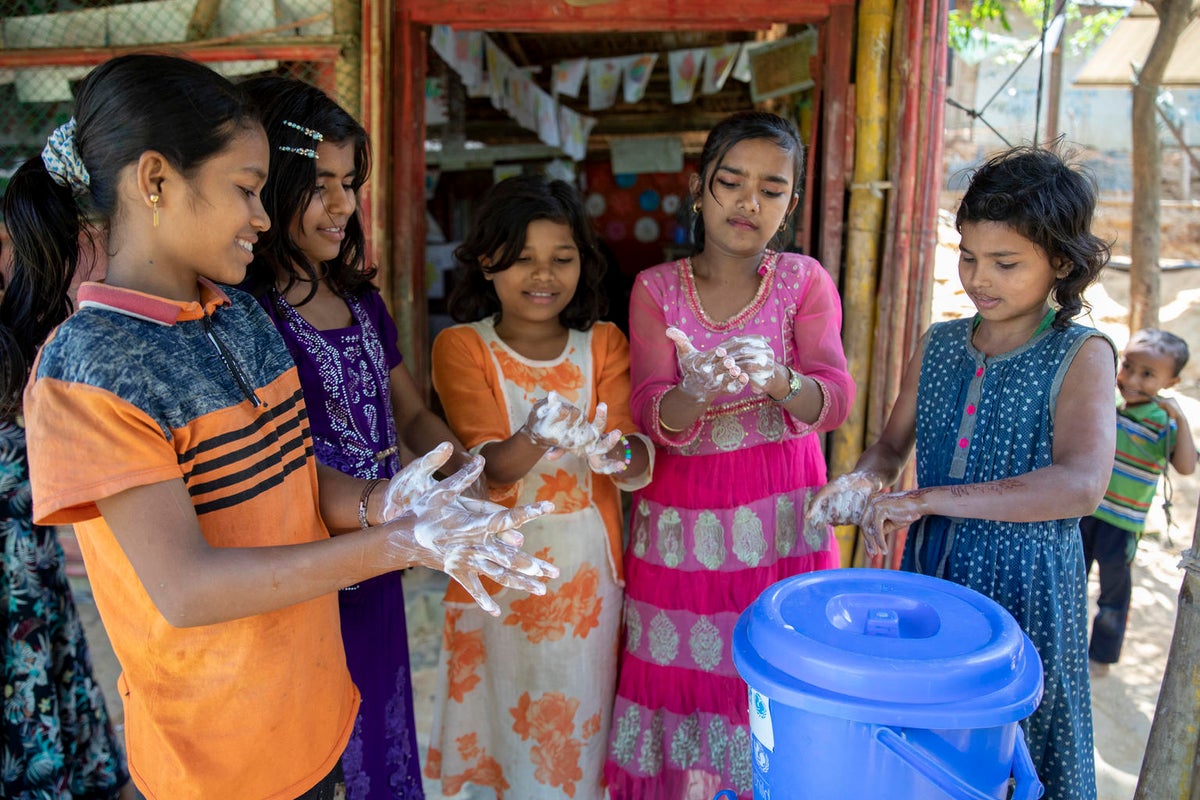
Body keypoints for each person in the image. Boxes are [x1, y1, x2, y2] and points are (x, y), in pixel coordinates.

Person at [0, 54, 557, 800]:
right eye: (246, 189)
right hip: (216, 759)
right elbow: (186, 587)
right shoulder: (91, 366)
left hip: (310, 710)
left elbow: (292, 474)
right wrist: (389, 545)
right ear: (156, 181)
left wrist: (384, 503)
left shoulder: (236, 314)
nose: (262, 218)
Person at [808, 145, 1116, 800]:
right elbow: (889, 446)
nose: (980, 278)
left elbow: (1081, 485)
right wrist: (862, 483)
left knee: (1014, 753)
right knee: (930, 756)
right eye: (969, 256)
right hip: (933, 574)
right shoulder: (941, 344)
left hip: (1028, 584)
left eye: (1006, 263)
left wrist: (929, 499)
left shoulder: (1080, 354)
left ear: (1061, 262)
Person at [605, 111, 854, 800]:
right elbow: (651, 413)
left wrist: (781, 379)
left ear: (792, 204)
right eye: (732, 182)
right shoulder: (655, 289)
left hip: (783, 517)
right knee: (681, 673)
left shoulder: (804, 281)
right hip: (683, 523)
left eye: (771, 189)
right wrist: (694, 389)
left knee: (774, 669)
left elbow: (833, 400)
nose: (749, 202)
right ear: (699, 188)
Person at [240, 76, 475, 800]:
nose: (344, 204)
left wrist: (463, 471)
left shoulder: (361, 302)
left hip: (377, 566)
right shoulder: (247, 317)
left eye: (350, 183)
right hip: (301, 575)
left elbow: (410, 418)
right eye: (320, 184)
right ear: (269, 183)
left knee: (381, 734)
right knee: (318, 750)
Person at [423, 173, 653, 800]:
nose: (543, 274)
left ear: (585, 263)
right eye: (522, 258)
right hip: (496, 568)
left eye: (561, 257)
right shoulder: (461, 347)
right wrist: (541, 432)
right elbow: (492, 469)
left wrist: (615, 453)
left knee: (574, 732)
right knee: (499, 724)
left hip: (586, 577)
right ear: (487, 262)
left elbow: (634, 463)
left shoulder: (603, 343)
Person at [1082, 328, 1195, 676]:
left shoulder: (1164, 424)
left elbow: (1187, 466)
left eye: (1147, 374)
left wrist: (1181, 418)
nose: (1131, 379)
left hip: (1124, 525)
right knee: (1071, 579)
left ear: (1171, 381)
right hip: (1085, 512)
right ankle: (1064, 643)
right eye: (1128, 366)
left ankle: (1101, 658)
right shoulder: (1108, 405)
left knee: (1114, 594)